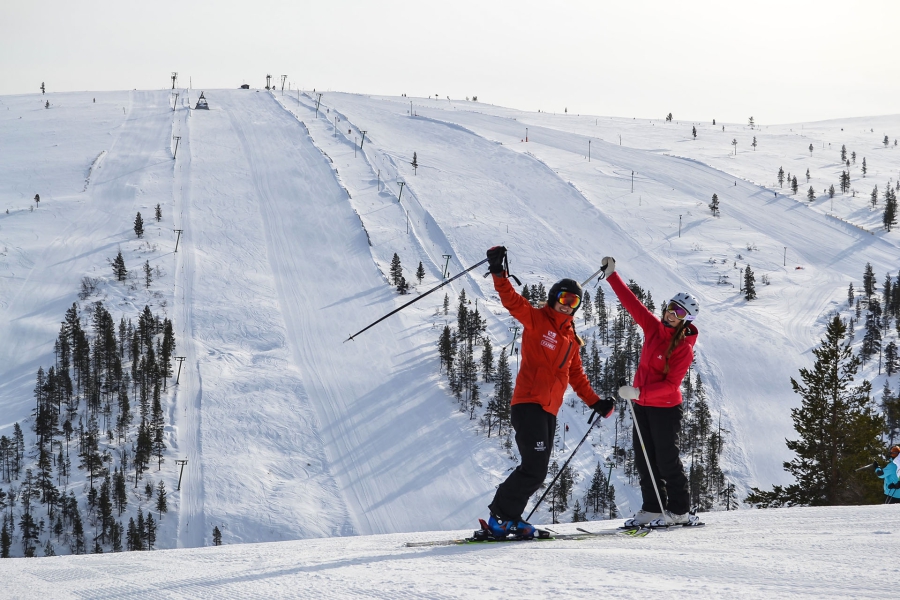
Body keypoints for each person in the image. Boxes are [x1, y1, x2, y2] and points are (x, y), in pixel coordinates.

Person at [483, 246, 614, 539]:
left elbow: (576, 376)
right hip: (528, 403)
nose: (568, 305)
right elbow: (512, 301)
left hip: (548, 410)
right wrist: (498, 272)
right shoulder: (537, 319)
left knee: (537, 470)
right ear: (554, 298)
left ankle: (509, 518)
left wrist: (596, 403)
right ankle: (500, 518)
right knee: (533, 467)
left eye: (574, 301)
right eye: (565, 299)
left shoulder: (571, 340)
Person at [599, 256, 700, 527]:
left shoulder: (683, 349)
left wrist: (638, 393)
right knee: (644, 458)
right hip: (642, 404)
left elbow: (670, 386)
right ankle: (653, 508)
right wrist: (612, 276)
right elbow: (633, 304)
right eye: (670, 308)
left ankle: (679, 510)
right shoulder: (654, 329)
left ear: (686, 320)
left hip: (665, 408)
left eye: (678, 313)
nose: (671, 314)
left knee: (666, 459)